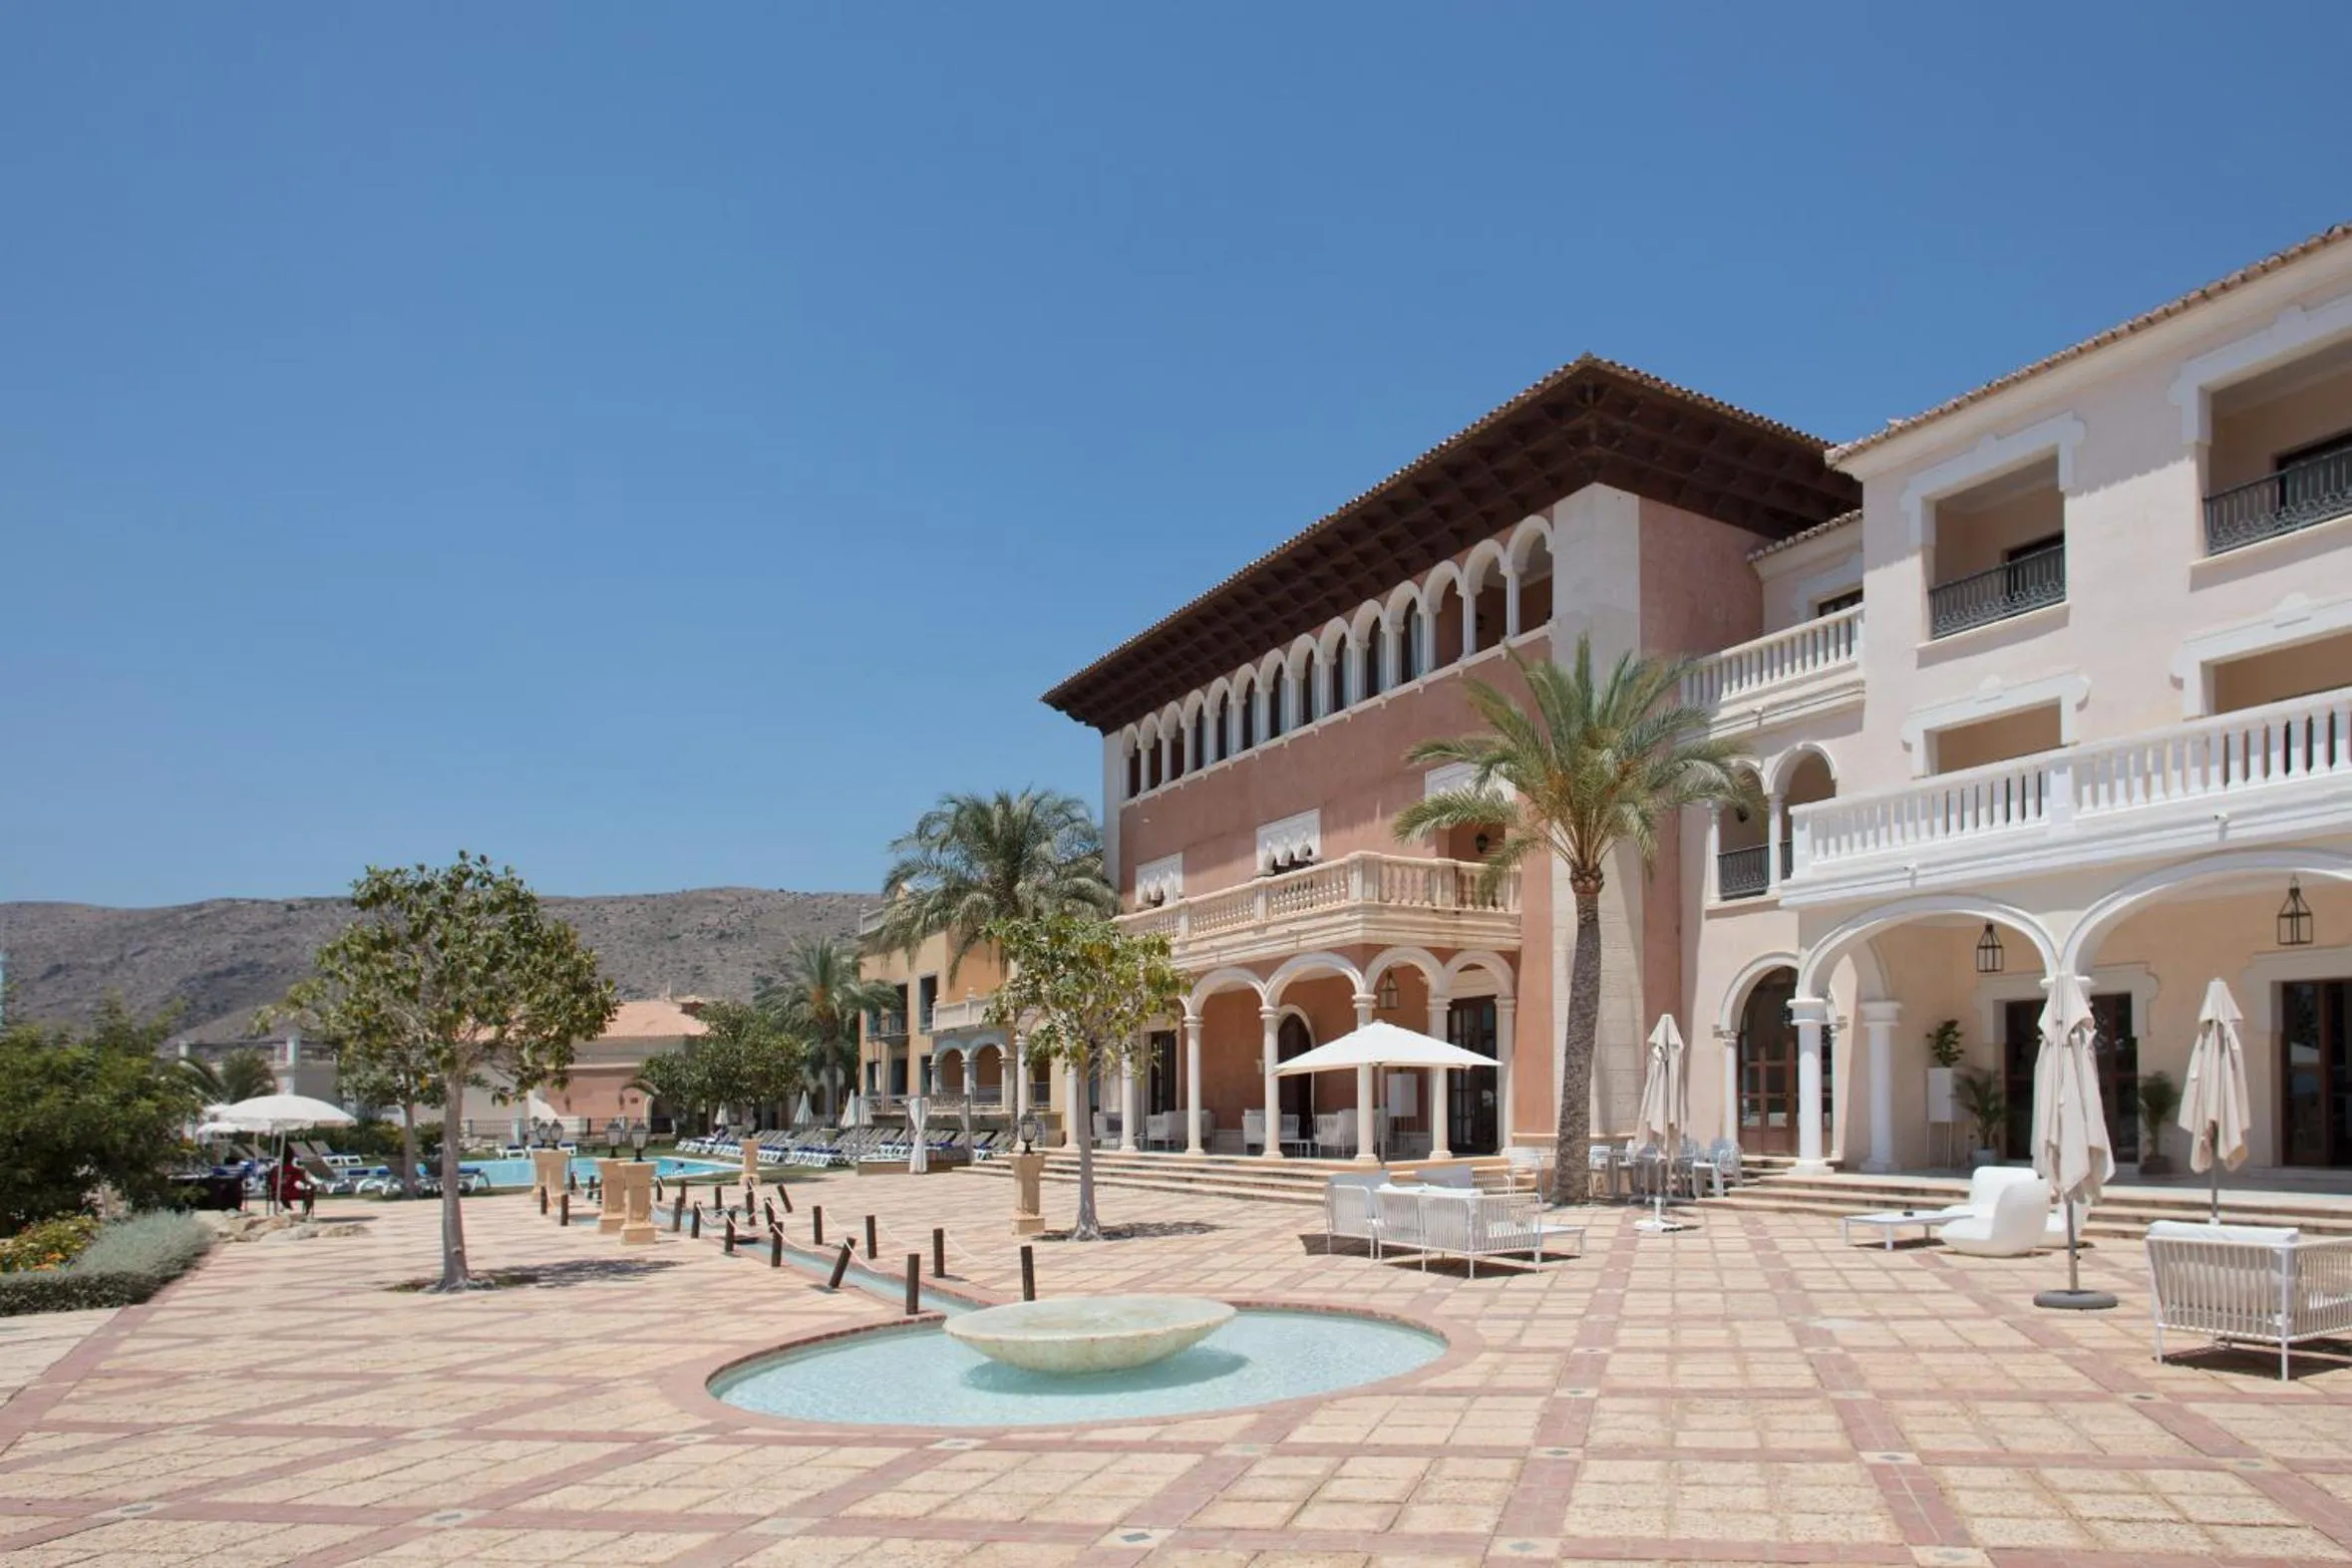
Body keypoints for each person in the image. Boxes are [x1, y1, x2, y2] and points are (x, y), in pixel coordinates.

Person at [271, 1150, 314, 1218]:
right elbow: (301, 1181)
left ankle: (286, 1206)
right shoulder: (294, 1170)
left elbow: (270, 1182)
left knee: (307, 1189)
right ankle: (307, 1212)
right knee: (310, 1190)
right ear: (291, 1159)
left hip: (275, 1193)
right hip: (292, 1193)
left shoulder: (274, 1169)